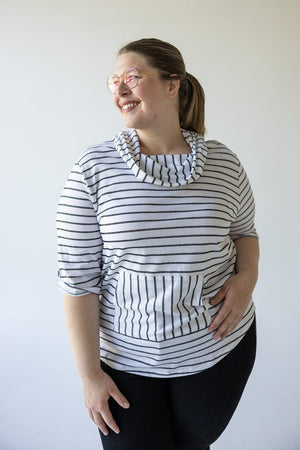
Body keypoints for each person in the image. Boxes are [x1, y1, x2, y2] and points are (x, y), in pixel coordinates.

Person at [56, 38, 259, 450]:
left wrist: (248, 278)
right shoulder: (93, 169)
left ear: (173, 85)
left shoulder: (223, 162)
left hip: (217, 355)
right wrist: (90, 375)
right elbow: (78, 281)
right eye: (113, 81)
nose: (118, 89)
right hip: (127, 367)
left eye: (131, 77)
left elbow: (245, 233)